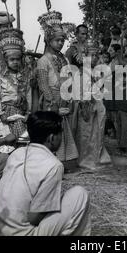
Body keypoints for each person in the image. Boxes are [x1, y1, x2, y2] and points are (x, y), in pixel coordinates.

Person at [0, 111, 91, 236]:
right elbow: (33, 218)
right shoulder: (54, 165)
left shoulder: (16, 154)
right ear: (52, 138)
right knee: (80, 194)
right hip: (22, 233)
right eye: (60, 134)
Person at [37, 10, 79, 167]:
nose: (61, 43)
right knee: (51, 132)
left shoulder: (63, 58)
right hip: (51, 102)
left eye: (62, 40)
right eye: (57, 40)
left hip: (64, 99)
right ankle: (50, 164)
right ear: (48, 40)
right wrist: (53, 105)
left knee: (64, 132)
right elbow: (43, 85)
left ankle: (64, 163)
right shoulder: (43, 60)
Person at [0, 28, 31, 156]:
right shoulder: (1, 77)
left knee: (23, 140)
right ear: (6, 60)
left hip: (21, 111)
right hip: (7, 112)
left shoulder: (24, 76)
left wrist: (28, 112)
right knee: (9, 140)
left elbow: (28, 94)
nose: (15, 62)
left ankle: (21, 162)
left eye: (17, 59)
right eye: (12, 59)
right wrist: (0, 112)